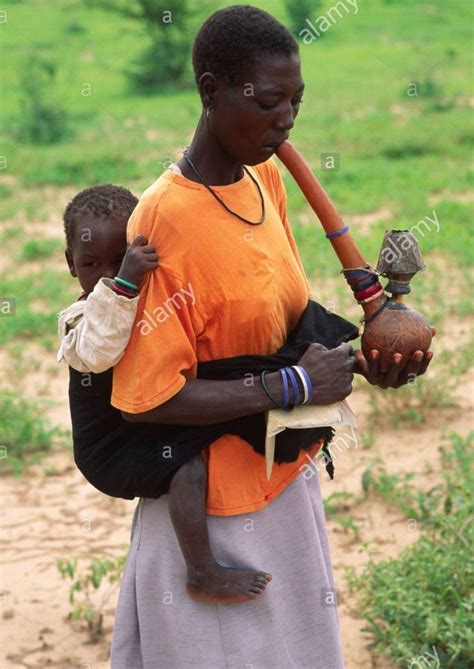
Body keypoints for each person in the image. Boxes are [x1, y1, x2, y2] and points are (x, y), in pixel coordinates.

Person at [109, 6, 434, 668]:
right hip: (213, 513)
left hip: (284, 479)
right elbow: (147, 397)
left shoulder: (266, 177)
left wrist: (363, 362)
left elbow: (271, 325)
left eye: (296, 101)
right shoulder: (164, 218)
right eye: (267, 100)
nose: (286, 119)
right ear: (210, 91)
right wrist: (291, 385)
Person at [59, 184, 354, 607]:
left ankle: (330, 365)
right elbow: (103, 346)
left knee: (234, 388)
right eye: (92, 264)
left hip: (145, 424)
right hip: (111, 447)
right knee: (187, 468)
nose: (105, 274)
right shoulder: (82, 319)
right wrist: (126, 278)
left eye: (120, 259)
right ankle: (202, 570)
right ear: (71, 264)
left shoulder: (150, 302)